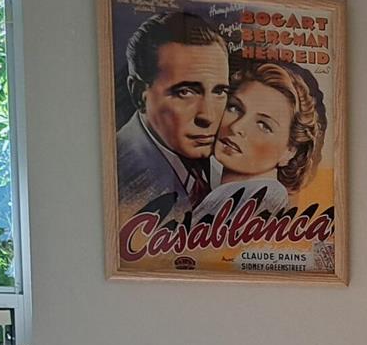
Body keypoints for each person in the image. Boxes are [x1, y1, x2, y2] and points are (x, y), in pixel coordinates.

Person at [114, 11, 231, 219]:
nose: (209, 116)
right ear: (139, 94)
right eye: (185, 92)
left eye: (219, 91)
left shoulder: (224, 166)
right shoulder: (122, 177)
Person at [187, 59, 326, 222]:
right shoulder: (219, 191)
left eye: (263, 125)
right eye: (235, 108)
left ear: (290, 151)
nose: (236, 127)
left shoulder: (260, 200)